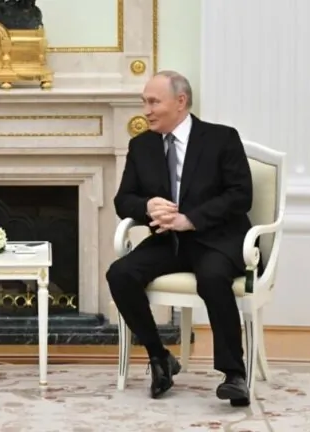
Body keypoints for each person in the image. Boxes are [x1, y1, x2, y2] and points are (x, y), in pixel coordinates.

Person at [107, 71, 253, 406]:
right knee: (120, 274)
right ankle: (160, 357)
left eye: (153, 102)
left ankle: (234, 374)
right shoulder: (141, 145)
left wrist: (191, 219)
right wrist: (147, 205)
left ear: (181, 101)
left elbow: (240, 195)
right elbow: (123, 200)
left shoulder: (222, 138)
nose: (146, 110)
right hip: (168, 242)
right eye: (144, 102)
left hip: (217, 239)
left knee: (212, 277)